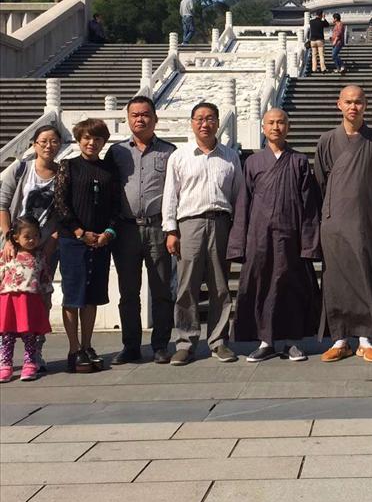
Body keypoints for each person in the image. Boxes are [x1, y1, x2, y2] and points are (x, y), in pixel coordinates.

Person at [227, 108, 321, 363]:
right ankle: (266, 341)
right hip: (259, 238)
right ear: (263, 127)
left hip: (291, 237)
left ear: (288, 127)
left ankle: (292, 342)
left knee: (291, 288)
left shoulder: (300, 161)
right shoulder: (253, 162)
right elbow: (243, 203)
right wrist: (239, 243)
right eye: (271, 123)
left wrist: (309, 243)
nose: (276, 127)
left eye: (281, 122)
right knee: (262, 288)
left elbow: (309, 206)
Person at [162, 102, 242, 365]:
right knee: (187, 286)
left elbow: (238, 195)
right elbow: (170, 196)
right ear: (192, 123)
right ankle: (186, 342)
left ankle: (218, 341)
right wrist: (171, 229)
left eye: (210, 119)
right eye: (199, 119)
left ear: (218, 123)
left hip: (220, 223)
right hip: (189, 225)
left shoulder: (230, 156)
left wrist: (237, 228)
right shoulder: (180, 155)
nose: (204, 123)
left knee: (220, 286)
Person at [315, 85, 372, 362]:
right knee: (336, 279)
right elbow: (321, 182)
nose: (353, 107)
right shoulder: (326, 141)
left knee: (366, 275)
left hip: (367, 221)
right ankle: (340, 338)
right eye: (348, 102)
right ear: (339, 105)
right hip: (335, 221)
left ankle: (367, 338)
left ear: (365, 105)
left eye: (358, 102)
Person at [106, 96, 177, 365]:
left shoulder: (169, 152)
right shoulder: (117, 153)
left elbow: (175, 193)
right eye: (134, 114)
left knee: (161, 290)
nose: (140, 119)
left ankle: (160, 345)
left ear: (155, 118)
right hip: (126, 230)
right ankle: (131, 346)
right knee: (128, 293)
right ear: (128, 119)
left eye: (145, 114)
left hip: (158, 227)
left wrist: (173, 230)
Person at [55, 118, 120, 373]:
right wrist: (79, 231)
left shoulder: (109, 171)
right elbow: (61, 204)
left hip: (100, 241)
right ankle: (73, 349)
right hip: (74, 240)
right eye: (87, 138)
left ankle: (87, 344)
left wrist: (108, 232)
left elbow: (116, 206)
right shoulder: (68, 167)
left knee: (92, 296)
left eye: (97, 139)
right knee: (74, 296)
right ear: (79, 139)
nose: (92, 143)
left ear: (104, 142)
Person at [1, 124, 62, 370]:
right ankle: (5, 355)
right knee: (8, 301)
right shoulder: (21, 169)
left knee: (41, 301)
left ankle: (34, 353)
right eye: (44, 141)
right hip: (13, 250)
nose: (49, 146)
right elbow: (3, 204)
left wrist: (50, 244)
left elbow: (63, 213)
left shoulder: (63, 174)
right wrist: (8, 238)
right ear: (34, 144)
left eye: (54, 141)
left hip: (45, 248)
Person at [0, 216, 53, 383]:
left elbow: (45, 279)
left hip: (29, 301)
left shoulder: (40, 257)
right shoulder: (8, 254)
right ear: (16, 237)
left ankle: (30, 362)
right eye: (27, 237)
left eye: (36, 236)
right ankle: (5, 364)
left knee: (29, 334)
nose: (32, 240)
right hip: (9, 300)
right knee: (7, 335)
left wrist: (46, 299)